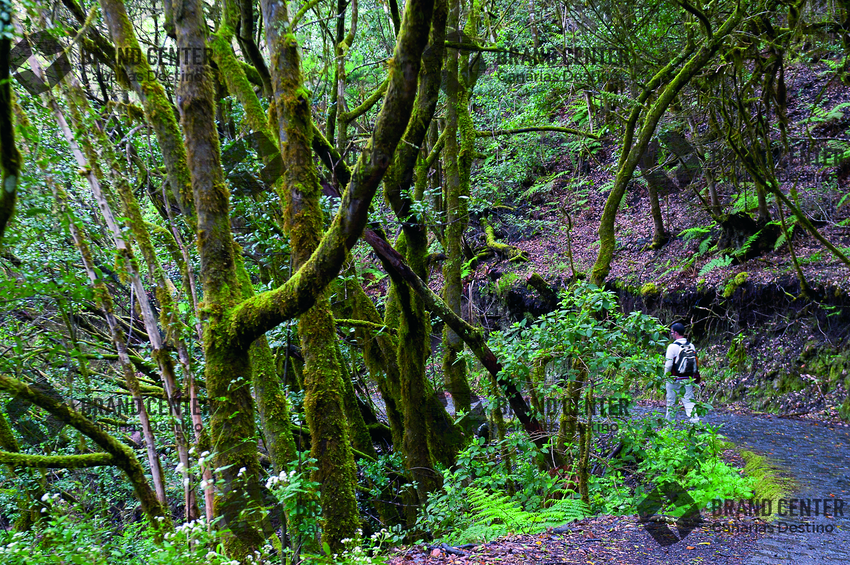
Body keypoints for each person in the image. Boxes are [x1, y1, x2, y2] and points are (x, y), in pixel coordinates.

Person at [665, 322, 700, 423]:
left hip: (674, 379)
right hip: (687, 379)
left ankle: (669, 427)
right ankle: (695, 422)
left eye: (671, 333)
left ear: (675, 333)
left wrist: (666, 376)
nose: (671, 335)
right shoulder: (691, 346)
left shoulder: (672, 347)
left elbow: (668, 365)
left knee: (671, 403)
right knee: (689, 401)